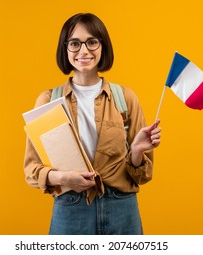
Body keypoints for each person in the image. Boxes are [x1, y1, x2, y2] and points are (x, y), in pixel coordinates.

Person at [23, 13, 161, 235]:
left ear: (102, 46)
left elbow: (143, 175)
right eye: (75, 43)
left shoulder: (125, 98)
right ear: (65, 48)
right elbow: (32, 170)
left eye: (92, 42)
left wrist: (136, 151)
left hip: (121, 210)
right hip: (70, 211)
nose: (84, 51)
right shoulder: (48, 101)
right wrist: (63, 178)